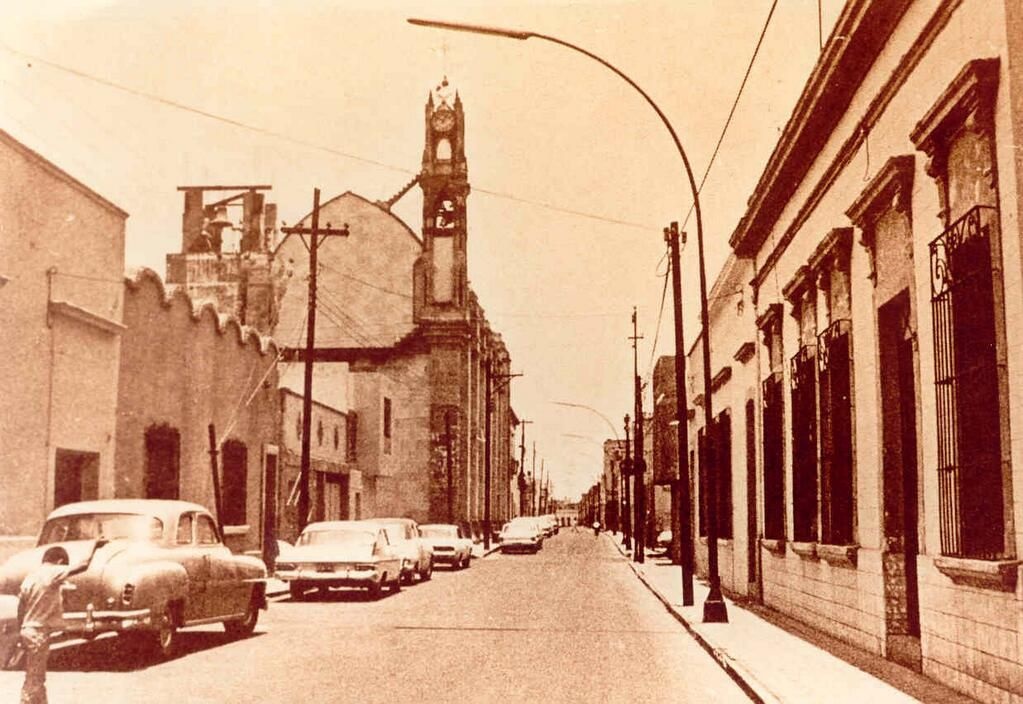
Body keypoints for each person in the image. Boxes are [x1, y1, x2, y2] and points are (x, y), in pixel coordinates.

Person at [18, 539, 105, 704]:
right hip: (39, 632)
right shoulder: (52, 571)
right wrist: (95, 547)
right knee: (35, 679)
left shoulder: (31, 577)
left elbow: (21, 606)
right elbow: (83, 565)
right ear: (59, 562)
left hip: (28, 630)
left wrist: (21, 629)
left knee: (36, 676)